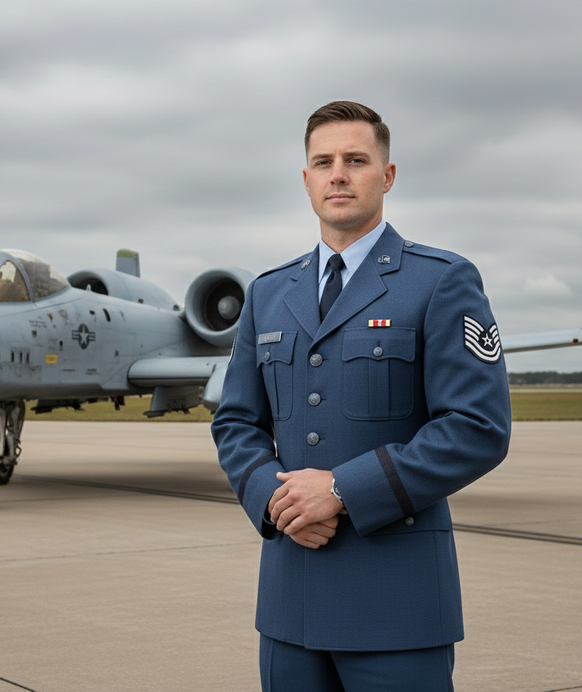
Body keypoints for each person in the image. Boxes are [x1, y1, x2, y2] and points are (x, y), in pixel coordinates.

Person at [211, 101, 511, 691]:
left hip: (397, 607)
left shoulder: (441, 281)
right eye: (323, 162)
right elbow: (236, 422)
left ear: (388, 175)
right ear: (306, 180)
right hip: (288, 606)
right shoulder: (269, 294)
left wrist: (343, 489)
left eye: (355, 159)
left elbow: (477, 426)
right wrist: (276, 500)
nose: (338, 174)